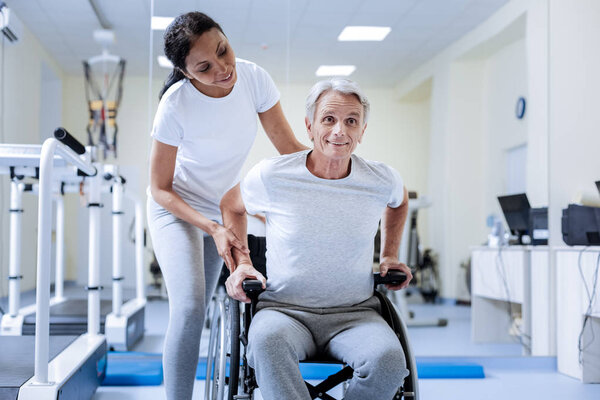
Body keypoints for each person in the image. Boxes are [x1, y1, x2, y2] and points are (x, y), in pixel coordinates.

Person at [146, 11, 306, 400]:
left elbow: (289, 151)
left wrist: (338, 167)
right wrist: (213, 227)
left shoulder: (254, 79)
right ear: (187, 73)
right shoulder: (175, 104)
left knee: (215, 300)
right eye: (205, 66)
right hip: (176, 209)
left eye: (223, 50)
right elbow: (159, 189)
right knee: (188, 309)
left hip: (220, 209)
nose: (223, 68)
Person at [221, 78, 413, 400]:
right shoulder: (273, 175)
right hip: (284, 311)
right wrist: (242, 263)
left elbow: (400, 200)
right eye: (329, 119)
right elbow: (231, 205)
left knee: (390, 362)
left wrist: (389, 256)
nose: (340, 130)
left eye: (351, 121)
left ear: (362, 131)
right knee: (266, 344)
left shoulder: (380, 179)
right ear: (309, 127)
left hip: (355, 314)